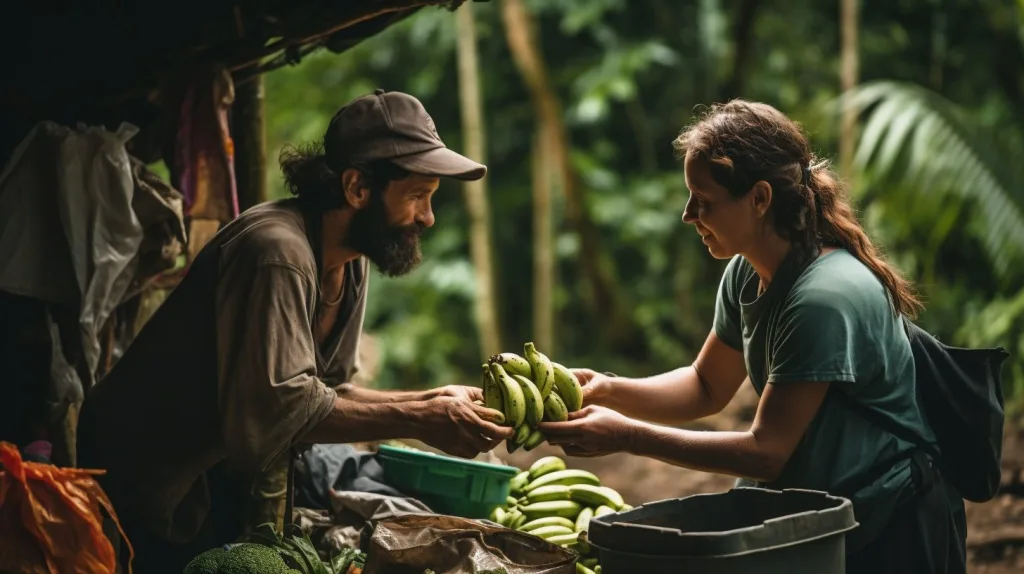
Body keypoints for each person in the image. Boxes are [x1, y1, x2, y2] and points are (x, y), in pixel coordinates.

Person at [77, 89, 514, 572]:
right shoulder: (277, 253)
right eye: (416, 196)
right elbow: (277, 411)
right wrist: (421, 418)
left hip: (200, 482)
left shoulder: (350, 262)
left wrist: (433, 399)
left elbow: (326, 392)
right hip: (130, 476)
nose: (427, 217)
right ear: (357, 188)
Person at [539, 100, 967, 573]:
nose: (687, 215)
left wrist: (628, 436)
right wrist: (607, 389)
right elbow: (705, 385)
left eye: (703, 201)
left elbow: (766, 452)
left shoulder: (822, 299)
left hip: (889, 523)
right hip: (821, 516)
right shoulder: (747, 272)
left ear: (760, 199)